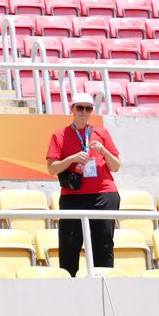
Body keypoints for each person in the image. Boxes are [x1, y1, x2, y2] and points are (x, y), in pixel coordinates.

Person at [46, 93, 122, 277]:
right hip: (73, 196)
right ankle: (69, 284)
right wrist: (72, 158)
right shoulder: (60, 135)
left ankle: (102, 283)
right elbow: (51, 168)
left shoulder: (101, 133)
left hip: (103, 194)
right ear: (72, 109)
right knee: (69, 244)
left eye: (88, 108)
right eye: (80, 107)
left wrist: (103, 151)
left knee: (103, 243)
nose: (84, 112)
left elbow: (116, 166)